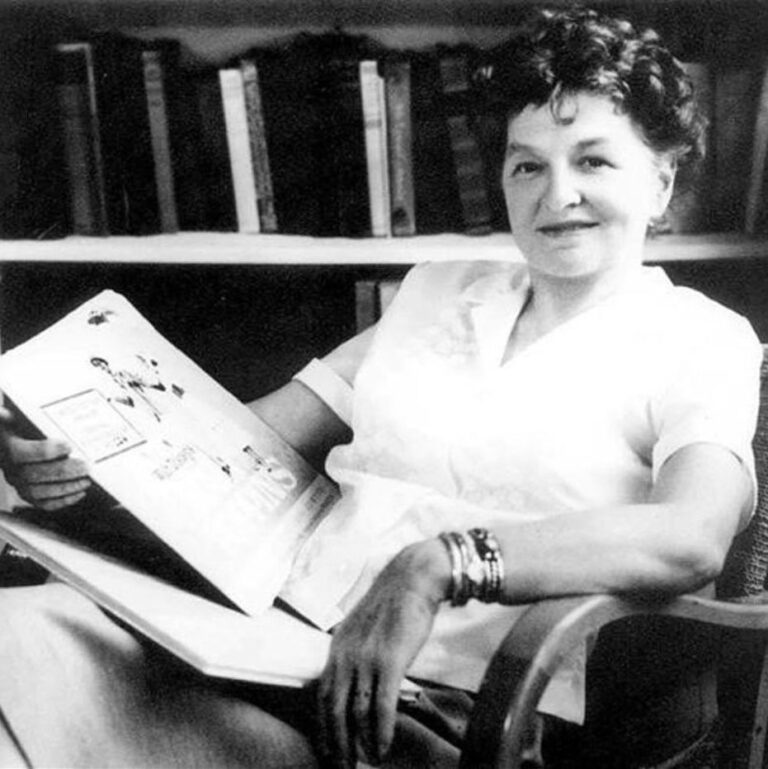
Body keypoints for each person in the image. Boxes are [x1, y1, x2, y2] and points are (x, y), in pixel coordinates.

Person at [0, 7, 761, 768]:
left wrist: (438, 563)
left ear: (661, 183)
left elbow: (690, 534)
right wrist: (76, 457)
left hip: (435, 702)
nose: (556, 193)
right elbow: (238, 443)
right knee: (15, 634)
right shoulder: (437, 292)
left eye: (593, 161)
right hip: (268, 638)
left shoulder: (699, 338)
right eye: (527, 164)